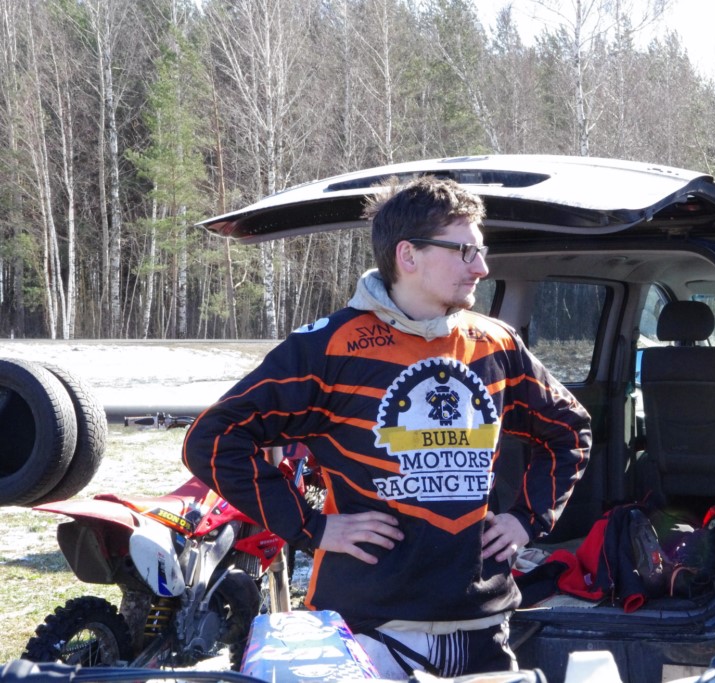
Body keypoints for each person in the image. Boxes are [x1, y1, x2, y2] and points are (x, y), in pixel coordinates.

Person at [182, 175, 592, 678]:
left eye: (481, 251)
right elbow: (214, 440)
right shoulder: (329, 347)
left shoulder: (496, 343)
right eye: (464, 251)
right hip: (369, 628)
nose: (481, 268)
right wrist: (312, 527)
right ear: (408, 255)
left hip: (483, 625)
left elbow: (569, 430)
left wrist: (528, 519)